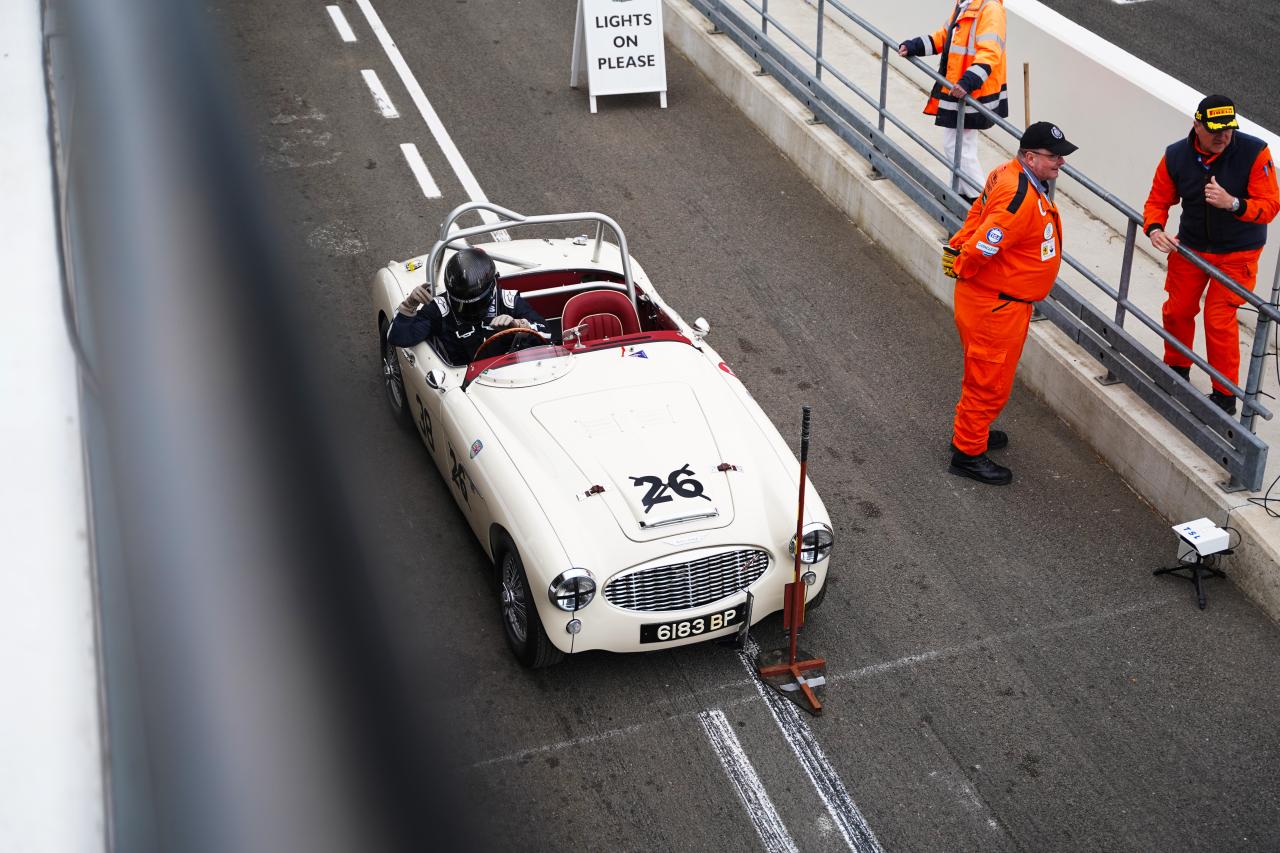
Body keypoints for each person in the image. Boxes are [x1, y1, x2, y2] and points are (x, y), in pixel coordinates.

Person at [943, 121, 1076, 485]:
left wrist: (957, 245)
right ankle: (967, 453)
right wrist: (962, 261)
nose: (1060, 163)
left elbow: (977, 214)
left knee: (988, 377)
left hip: (1001, 303)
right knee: (988, 381)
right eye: (1053, 157)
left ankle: (973, 433)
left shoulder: (1008, 173)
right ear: (1030, 157)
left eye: (1062, 156)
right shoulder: (1018, 196)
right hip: (995, 306)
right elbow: (986, 240)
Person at [1143, 95, 1280, 415]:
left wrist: (1233, 203)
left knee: (1218, 319)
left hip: (1238, 254)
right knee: (1177, 310)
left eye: (1228, 129)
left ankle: (1224, 394)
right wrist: (1153, 229)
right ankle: (1175, 370)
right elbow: (1157, 201)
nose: (1223, 136)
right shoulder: (1175, 156)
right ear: (1197, 125)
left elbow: (1270, 206)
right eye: (1215, 129)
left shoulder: (1254, 152)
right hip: (1191, 247)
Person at [898, 0, 1008, 203]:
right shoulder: (966, 4)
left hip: (972, 91)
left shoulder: (989, 8)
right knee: (961, 146)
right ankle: (960, 197)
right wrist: (914, 46)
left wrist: (968, 81)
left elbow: (990, 53)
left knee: (956, 146)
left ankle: (981, 203)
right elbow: (944, 37)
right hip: (960, 88)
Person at [388, 247, 547, 364]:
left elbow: (548, 334)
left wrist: (518, 326)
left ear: (493, 286)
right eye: (463, 303)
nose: (471, 311)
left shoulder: (508, 301)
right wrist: (409, 306)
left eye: (477, 302)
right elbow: (399, 338)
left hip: (511, 372)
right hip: (464, 386)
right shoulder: (439, 309)